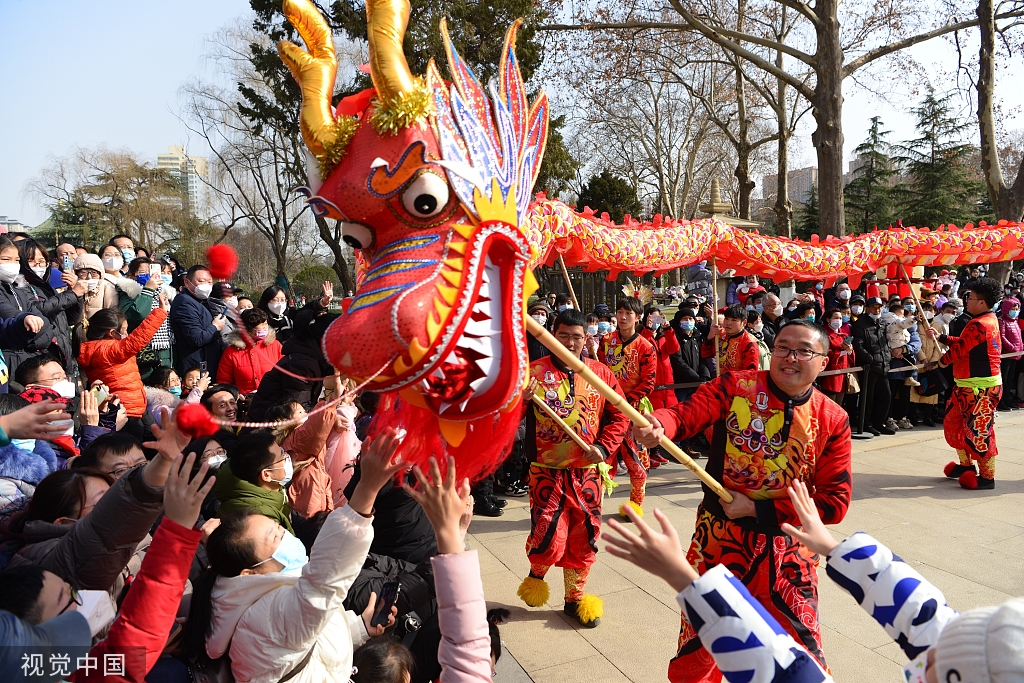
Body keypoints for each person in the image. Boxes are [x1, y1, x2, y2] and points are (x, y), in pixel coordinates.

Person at [633, 319, 852, 683]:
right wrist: (659, 423)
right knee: (702, 647)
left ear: (824, 361)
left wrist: (757, 507)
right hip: (719, 544)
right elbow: (685, 415)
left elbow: (834, 503)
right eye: (782, 347)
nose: (789, 357)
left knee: (802, 653)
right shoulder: (736, 386)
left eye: (803, 350)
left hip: (790, 554)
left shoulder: (833, 418)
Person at [184, 429, 404, 683]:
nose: (285, 536)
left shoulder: (253, 597)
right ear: (249, 572)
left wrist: (360, 628)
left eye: (278, 528)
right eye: (275, 538)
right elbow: (322, 585)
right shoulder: (264, 615)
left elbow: (308, 643)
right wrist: (366, 490)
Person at [0, 452, 213, 683]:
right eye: (70, 597)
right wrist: (176, 529)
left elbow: (138, 629)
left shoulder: (70, 668)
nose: (83, 600)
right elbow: (101, 535)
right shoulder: (61, 558)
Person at [518, 308, 631, 628]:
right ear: (551, 335)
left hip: (588, 473)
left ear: (586, 339)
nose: (569, 342)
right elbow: (508, 417)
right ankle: (536, 575)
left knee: (585, 536)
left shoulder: (601, 374)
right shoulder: (533, 373)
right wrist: (520, 400)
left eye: (577, 337)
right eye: (563, 335)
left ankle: (575, 598)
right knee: (547, 535)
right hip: (546, 472)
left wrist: (604, 448)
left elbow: (620, 416)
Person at [927, 277, 1003, 490]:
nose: (966, 300)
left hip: (980, 389)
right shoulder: (985, 320)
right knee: (954, 424)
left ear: (981, 302)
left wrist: (941, 362)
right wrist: (942, 339)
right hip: (966, 387)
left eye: (970, 297)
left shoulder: (980, 323)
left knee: (980, 432)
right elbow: (965, 344)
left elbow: (959, 351)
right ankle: (966, 465)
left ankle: (987, 477)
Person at [598, 297, 656, 516]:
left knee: (637, 460)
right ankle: (595, 502)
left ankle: (635, 503)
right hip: (607, 411)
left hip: (634, 411)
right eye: (620, 312)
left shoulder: (646, 347)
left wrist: (626, 401)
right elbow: (599, 371)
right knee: (603, 457)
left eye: (628, 313)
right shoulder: (605, 341)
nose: (623, 317)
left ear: (638, 317)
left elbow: (648, 382)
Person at [77, 303, 168, 440]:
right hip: (126, 410)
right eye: (124, 330)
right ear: (112, 333)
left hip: (132, 407)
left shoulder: (92, 348)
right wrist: (160, 313)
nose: (126, 334)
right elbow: (138, 338)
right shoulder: (108, 349)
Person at [246, 311, 337, 421]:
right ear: (325, 339)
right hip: (267, 432)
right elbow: (299, 414)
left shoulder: (308, 357)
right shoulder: (303, 364)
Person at [266, 398, 336, 518]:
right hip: (309, 499)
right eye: (299, 412)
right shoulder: (297, 437)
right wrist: (332, 400)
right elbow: (318, 426)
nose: (306, 414)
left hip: (303, 497)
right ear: (285, 420)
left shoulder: (282, 441)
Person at [214, 430, 295, 531]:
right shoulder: (259, 519)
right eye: (281, 456)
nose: (286, 457)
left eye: (282, 451)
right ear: (266, 475)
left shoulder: (272, 488)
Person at [118, 257, 176, 380]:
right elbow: (137, 315)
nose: (148, 275)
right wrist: (148, 290)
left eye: (150, 271)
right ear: (132, 275)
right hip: (143, 352)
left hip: (164, 349)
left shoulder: (164, 293)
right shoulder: (127, 292)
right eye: (142, 272)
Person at [170, 265, 225, 378]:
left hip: (209, 362)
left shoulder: (202, 301)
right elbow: (196, 338)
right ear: (187, 282)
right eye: (201, 281)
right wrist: (215, 327)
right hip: (196, 367)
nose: (206, 285)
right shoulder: (184, 303)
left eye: (210, 282)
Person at [852, 296, 894, 435]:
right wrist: (870, 360)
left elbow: (885, 342)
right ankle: (866, 423)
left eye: (879, 307)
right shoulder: (860, 324)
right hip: (870, 367)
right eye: (874, 307)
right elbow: (858, 346)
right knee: (868, 397)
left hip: (883, 364)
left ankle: (879, 422)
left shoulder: (882, 322)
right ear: (868, 308)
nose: (877, 310)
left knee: (885, 396)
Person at [216, 307, 283, 395]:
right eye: (260, 326)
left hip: (273, 399)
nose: (265, 328)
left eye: (265, 324)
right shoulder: (231, 352)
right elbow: (224, 381)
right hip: (245, 401)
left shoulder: (275, 345)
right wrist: (234, 396)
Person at [640, 306, 681, 411]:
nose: (655, 321)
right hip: (652, 388)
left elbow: (674, 349)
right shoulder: (641, 335)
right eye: (653, 318)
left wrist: (667, 329)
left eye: (658, 318)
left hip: (668, 387)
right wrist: (648, 330)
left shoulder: (664, 336)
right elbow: (643, 349)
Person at [702, 304, 759, 373]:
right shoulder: (720, 335)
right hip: (720, 380)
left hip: (737, 382)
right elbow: (705, 354)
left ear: (744, 322)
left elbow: (751, 373)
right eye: (726, 319)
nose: (728, 323)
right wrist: (709, 337)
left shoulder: (748, 344)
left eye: (734, 320)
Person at [820, 308, 852, 404]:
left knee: (839, 404)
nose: (839, 320)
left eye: (841, 318)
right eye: (836, 318)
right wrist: (841, 353)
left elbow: (851, 356)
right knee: (830, 404)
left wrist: (849, 351)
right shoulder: (824, 334)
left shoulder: (843, 335)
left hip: (843, 373)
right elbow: (824, 352)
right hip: (830, 374)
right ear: (828, 319)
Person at [996, 297, 1023, 411]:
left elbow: (1019, 337)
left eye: (1017, 308)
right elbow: (1002, 337)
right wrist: (1012, 347)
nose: (1015, 311)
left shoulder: (1015, 321)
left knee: (1010, 379)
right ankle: (1001, 402)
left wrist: (1020, 347)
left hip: (1016, 354)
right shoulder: (1002, 321)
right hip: (1007, 355)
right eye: (1013, 308)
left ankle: (1007, 400)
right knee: (1004, 379)